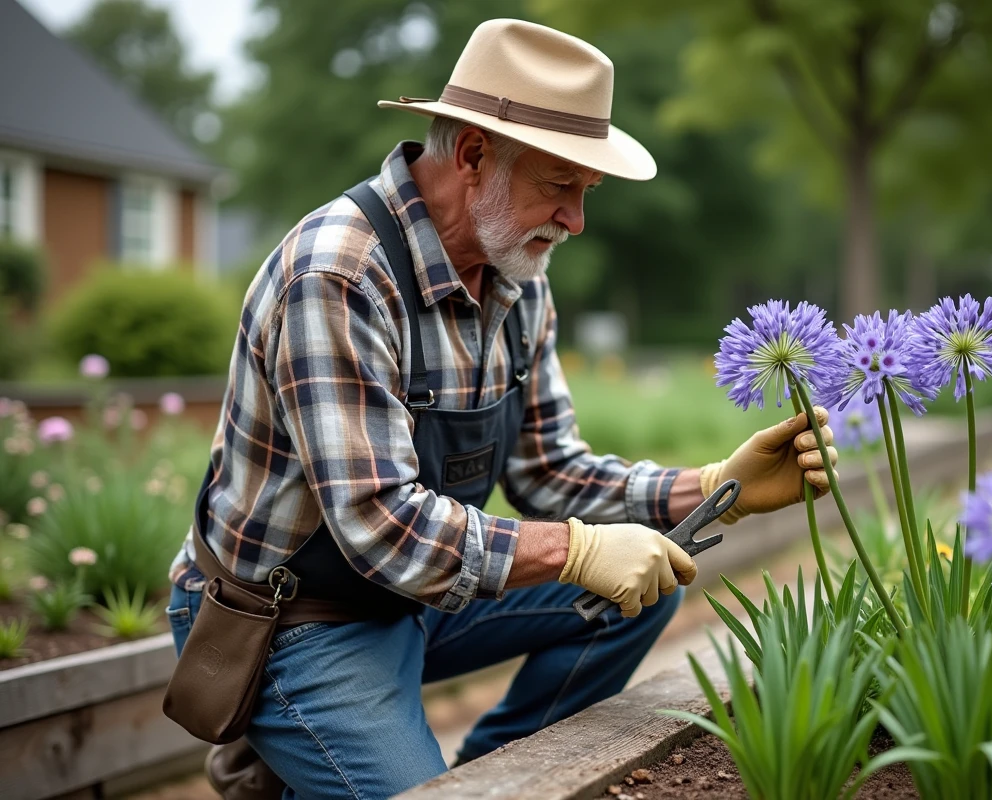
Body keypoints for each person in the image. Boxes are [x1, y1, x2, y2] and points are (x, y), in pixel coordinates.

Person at [165, 18, 837, 799]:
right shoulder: (341, 274)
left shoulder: (517, 277)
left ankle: (485, 775)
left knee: (643, 587)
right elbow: (381, 526)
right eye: (560, 186)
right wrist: (577, 552)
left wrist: (713, 485)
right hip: (293, 621)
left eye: (587, 193)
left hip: (410, 598)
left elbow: (548, 470)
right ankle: (296, 746)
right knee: (599, 572)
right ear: (475, 156)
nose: (577, 222)